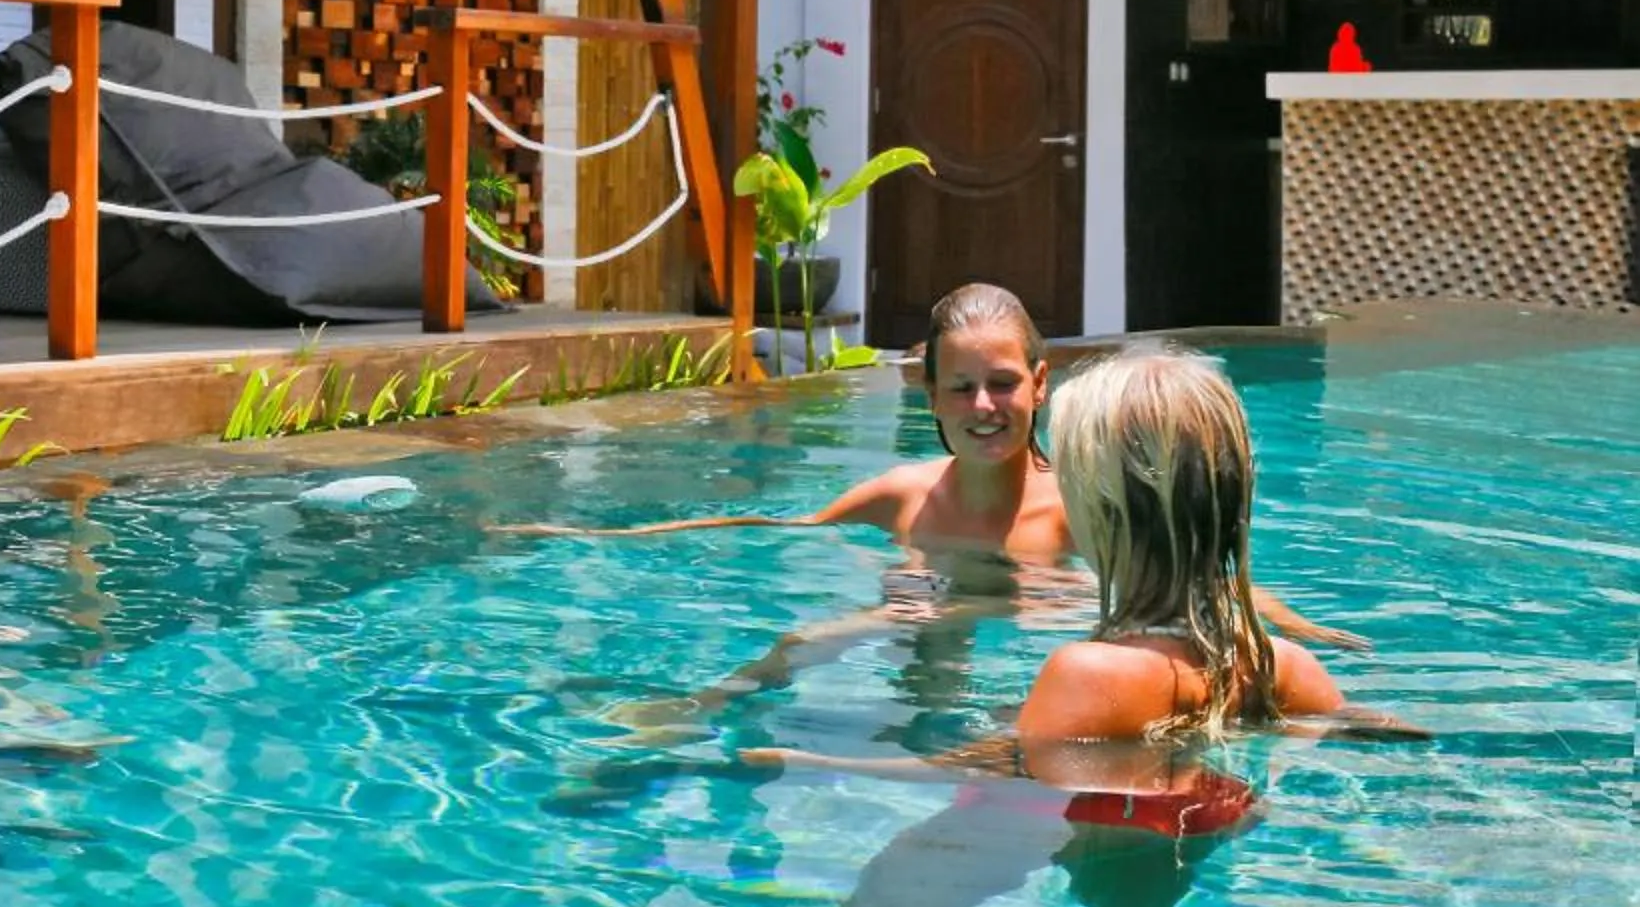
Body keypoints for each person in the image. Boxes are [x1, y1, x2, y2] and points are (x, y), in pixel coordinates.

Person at [740, 344, 1423, 907]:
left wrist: (815, 760)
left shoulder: (1089, 673)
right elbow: (1340, 723)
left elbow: (1011, 771)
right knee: (1135, 903)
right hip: (1195, 806)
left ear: (1104, 513)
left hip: (1079, 793)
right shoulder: (1278, 660)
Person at [507, 284, 1361, 731]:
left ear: (1039, 383)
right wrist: (593, 533)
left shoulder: (1076, 507)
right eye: (962, 387)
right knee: (810, 636)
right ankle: (698, 709)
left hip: (1032, 642)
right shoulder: (901, 494)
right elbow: (778, 528)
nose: (984, 406)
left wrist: (1312, 631)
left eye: (1003, 384)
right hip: (926, 619)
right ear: (930, 395)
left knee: (912, 612)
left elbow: (1188, 574)